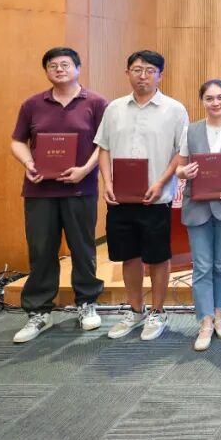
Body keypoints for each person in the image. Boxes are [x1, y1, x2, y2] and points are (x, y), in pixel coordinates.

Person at [9, 47, 108, 343]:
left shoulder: (96, 103)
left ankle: (87, 303)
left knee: (83, 248)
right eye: (53, 65)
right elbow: (17, 141)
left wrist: (85, 170)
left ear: (78, 68)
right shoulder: (32, 104)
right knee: (41, 250)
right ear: (46, 71)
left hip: (81, 188)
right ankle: (39, 311)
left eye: (65, 64)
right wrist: (28, 163)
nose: (60, 69)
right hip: (40, 190)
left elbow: (105, 144)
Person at [95, 50, 188, 341]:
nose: (143, 76)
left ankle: (157, 311)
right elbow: (103, 148)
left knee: (158, 256)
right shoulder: (114, 108)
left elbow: (181, 152)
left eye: (150, 70)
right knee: (129, 255)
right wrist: (107, 182)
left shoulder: (175, 110)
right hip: (121, 198)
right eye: (137, 70)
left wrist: (161, 182)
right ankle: (135, 310)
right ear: (127, 73)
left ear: (160, 75)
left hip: (156, 198)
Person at [175, 79, 221, 351]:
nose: (215, 102)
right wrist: (183, 173)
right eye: (209, 98)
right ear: (202, 101)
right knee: (202, 265)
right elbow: (179, 167)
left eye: (220, 97)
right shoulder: (190, 131)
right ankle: (205, 321)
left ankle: (219, 315)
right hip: (197, 205)